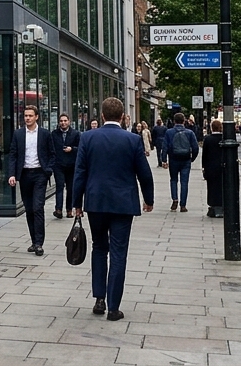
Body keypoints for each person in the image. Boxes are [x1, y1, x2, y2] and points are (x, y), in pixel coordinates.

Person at [72, 97, 154, 321]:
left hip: (96, 203)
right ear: (122, 117)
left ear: (102, 116)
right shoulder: (132, 140)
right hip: (123, 204)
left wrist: (76, 203)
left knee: (99, 248)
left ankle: (99, 298)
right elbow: (144, 173)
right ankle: (113, 307)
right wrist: (149, 199)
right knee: (118, 253)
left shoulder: (87, 138)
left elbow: (79, 173)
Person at [7, 106, 56, 255]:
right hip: (25, 174)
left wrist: (48, 170)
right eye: (25, 116)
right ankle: (34, 241)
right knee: (29, 210)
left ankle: (39, 243)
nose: (27, 118)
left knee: (37, 207)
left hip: (40, 174)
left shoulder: (45, 134)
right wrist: (12, 174)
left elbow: (52, 154)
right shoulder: (18, 134)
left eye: (30, 116)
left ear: (37, 117)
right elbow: (13, 155)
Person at [163, 113, 200, 213]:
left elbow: (165, 146)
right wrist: (192, 158)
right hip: (185, 159)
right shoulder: (189, 133)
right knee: (184, 182)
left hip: (173, 159)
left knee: (173, 180)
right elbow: (195, 147)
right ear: (184, 121)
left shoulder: (169, 132)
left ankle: (175, 199)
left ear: (174, 121)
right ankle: (183, 205)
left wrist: (164, 160)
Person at [51, 114, 81, 220]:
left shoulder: (75, 134)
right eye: (61, 121)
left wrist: (71, 149)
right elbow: (51, 148)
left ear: (69, 121)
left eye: (65, 121)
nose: (63, 123)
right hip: (58, 164)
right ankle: (58, 209)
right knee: (59, 186)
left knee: (70, 188)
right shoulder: (54, 134)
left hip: (71, 165)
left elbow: (80, 148)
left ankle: (69, 209)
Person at [201, 119, 224, 218]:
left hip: (210, 168)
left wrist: (204, 168)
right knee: (222, 187)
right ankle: (222, 206)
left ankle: (213, 206)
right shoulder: (224, 139)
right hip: (223, 168)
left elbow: (204, 155)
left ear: (211, 127)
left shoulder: (208, 139)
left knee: (211, 188)